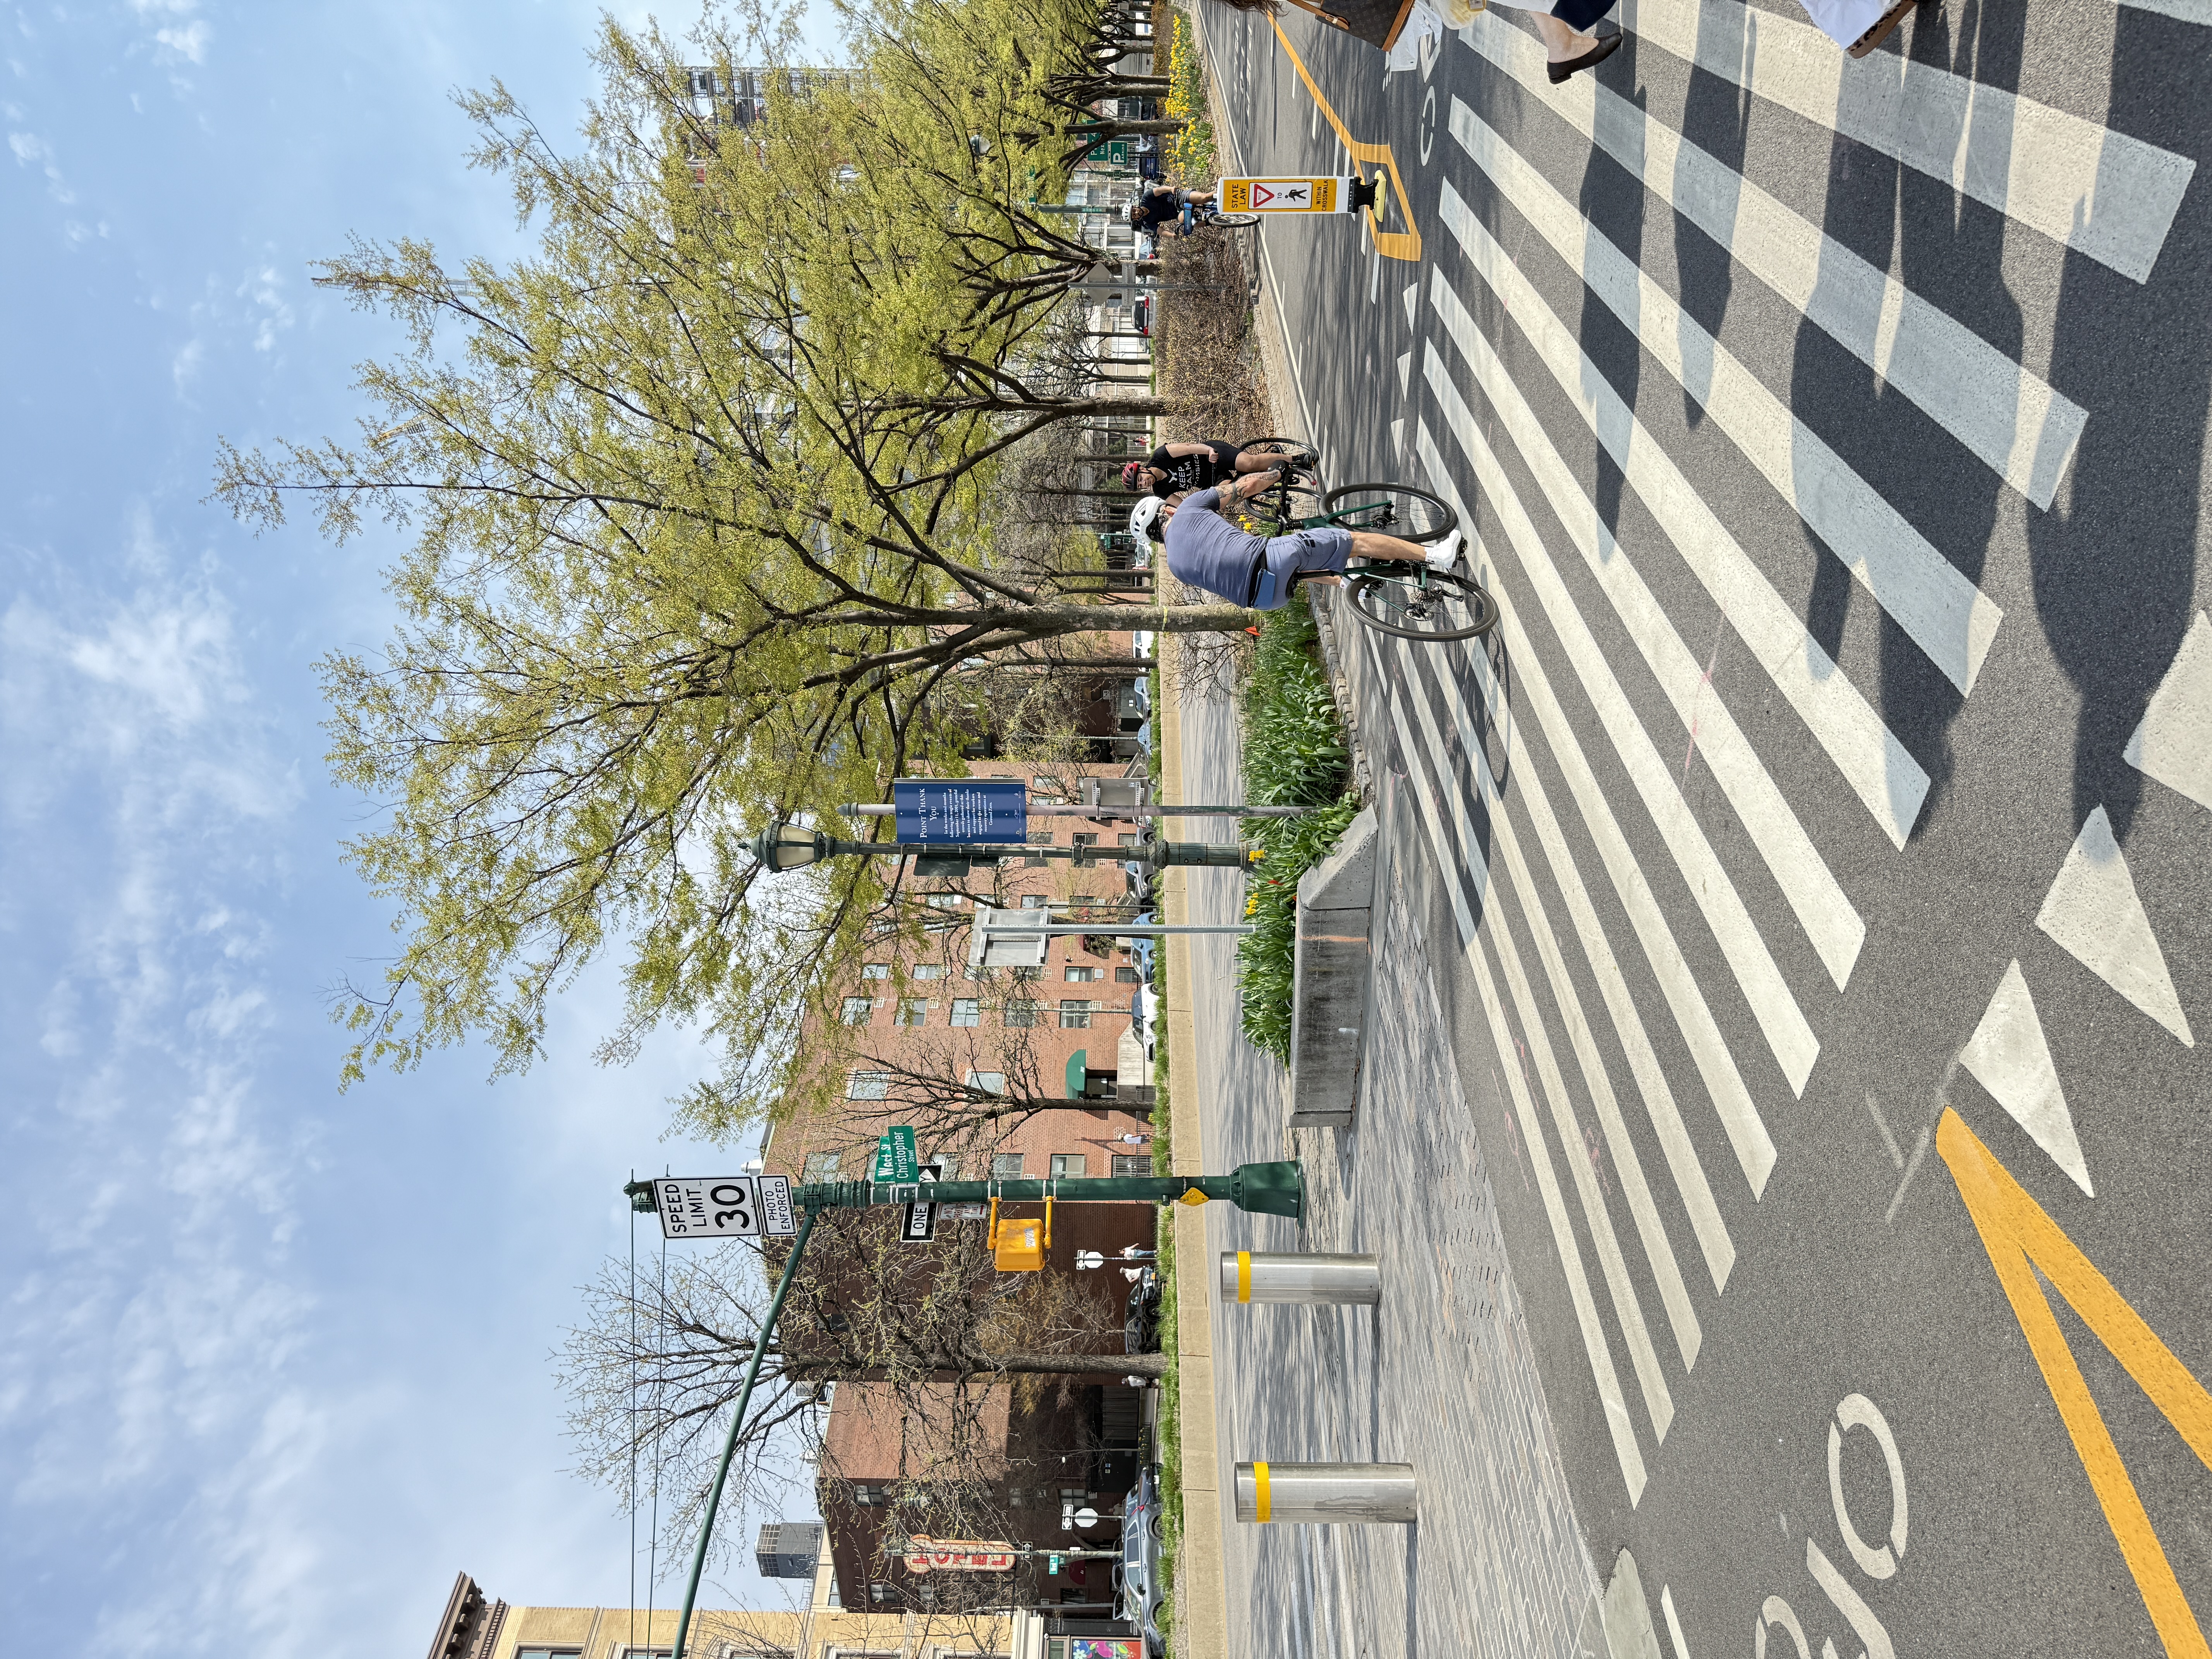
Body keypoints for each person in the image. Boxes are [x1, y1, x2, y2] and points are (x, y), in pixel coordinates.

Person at [1133, 467, 1461, 612]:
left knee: (1292, 569)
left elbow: (1222, 567)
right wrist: (1277, 471)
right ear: (1167, 512)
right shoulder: (1188, 507)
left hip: (1264, 600)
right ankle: (1435, 556)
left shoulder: (1175, 565)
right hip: (1268, 561)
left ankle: (1349, 583)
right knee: (1352, 541)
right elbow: (1243, 488)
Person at [1121, 440, 1296, 500]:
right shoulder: (1160, 491)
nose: (1144, 483)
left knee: (1249, 463)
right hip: (1212, 480)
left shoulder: (1161, 455)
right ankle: (1273, 478)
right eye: (1141, 486)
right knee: (1234, 494)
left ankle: (1294, 459)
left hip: (1212, 456)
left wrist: (1209, 451)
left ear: (1143, 469)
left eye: (1140, 479)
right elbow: (1182, 506)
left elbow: (1189, 448)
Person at [1127, 183, 1215, 239]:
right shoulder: (1147, 222)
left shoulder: (1146, 199)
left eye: (1134, 210)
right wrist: (1171, 236)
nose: (1136, 213)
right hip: (1178, 213)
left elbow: (1159, 190)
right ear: (1136, 219)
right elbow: (1160, 231)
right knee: (1191, 222)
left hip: (1178, 198)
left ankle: (1224, 193)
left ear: (1135, 207)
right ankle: (1215, 220)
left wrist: (1171, 189)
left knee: (1204, 198)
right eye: (1134, 215)